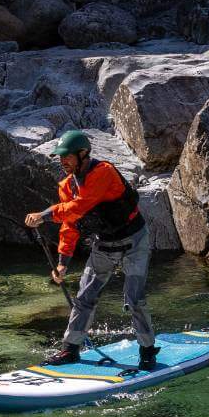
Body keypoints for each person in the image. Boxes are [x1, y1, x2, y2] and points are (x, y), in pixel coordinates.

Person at [22, 130, 158, 370]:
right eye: (60, 157)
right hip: (104, 245)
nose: (62, 161)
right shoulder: (67, 185)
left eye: (67, 156)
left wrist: (44, 215)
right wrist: (63, 262)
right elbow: (70, 225)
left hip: (134, 243)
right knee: (84, 297)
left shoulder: (103, 172)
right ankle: (70, 349)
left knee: (134, 299)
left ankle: (147, 350)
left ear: (83, 154)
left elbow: (80, 206)